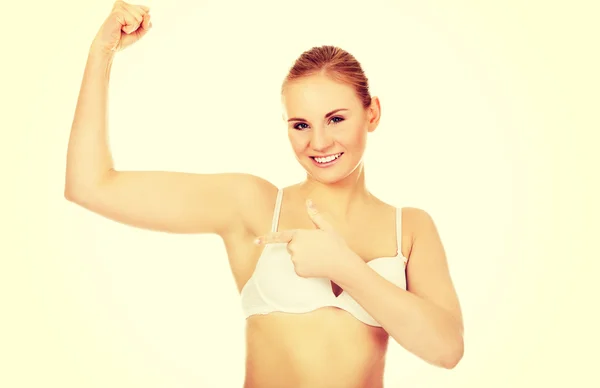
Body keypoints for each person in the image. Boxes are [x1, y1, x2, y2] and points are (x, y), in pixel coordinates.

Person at [64, 1, 464, 387]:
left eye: (336, 119)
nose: (319, 142)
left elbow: (447, 351)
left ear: (371, 113)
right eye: (300, 125)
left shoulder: (409, 228)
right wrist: (102, 53)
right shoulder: (253, 205)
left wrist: (345, 267)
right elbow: (89, 186)